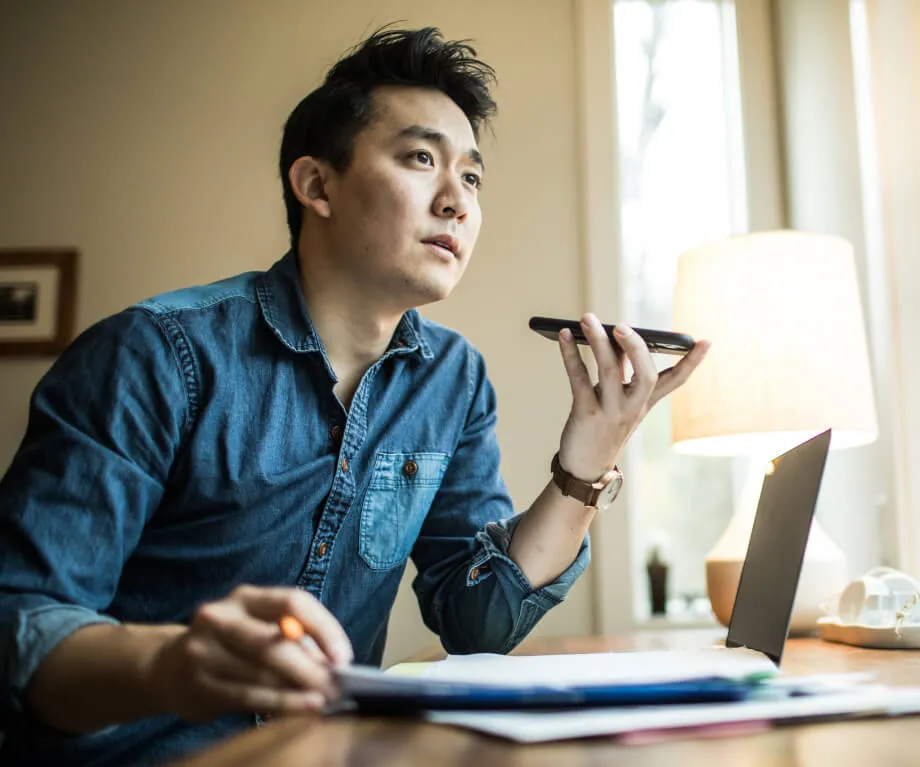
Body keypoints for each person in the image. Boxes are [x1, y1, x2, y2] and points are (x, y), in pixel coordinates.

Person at [0, 26, 709, 766]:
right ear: (316, 185)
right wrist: (170, 665)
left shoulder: (453, 380)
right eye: (421, 158)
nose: (457, 201)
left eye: (471, 176)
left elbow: (477, 619)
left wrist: (588, 459)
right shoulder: (153, 354)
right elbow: (20, 620)